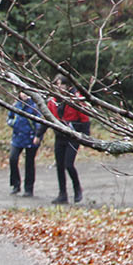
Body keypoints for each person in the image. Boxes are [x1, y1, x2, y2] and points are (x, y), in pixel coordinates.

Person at [49, 75, 87, 204]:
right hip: (59, 136)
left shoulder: (76, 98)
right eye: (56, 85)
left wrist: (85, 137)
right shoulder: (53, 100)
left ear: (67, 86)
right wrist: (39, 134)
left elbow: (84, 118)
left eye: (60, 85)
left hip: (73, 135)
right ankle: (62, 194)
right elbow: (47, 117)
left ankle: (77, 189)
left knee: (68, 164)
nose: (58, 87)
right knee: (59, 166)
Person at [7, 89, 42, 196]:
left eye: (27, 92)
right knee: (13, 158)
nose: (25, 94)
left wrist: (38, 135)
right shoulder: (15, 105)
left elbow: (39, 122)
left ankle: (29, 188)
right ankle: (16, 184)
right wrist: (13, 123)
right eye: (22, 92)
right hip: (17, 137)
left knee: (29, 163)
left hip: (31, 137)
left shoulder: (34, 106)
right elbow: (9, 118)